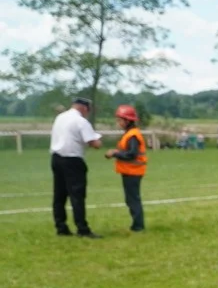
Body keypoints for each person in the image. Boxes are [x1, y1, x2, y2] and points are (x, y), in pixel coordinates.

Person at [50, 96, 103, 238]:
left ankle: (61, 227)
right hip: (72, 160)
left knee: (59, 195)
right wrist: (99, 140)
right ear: (85, 108)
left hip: (56, 158)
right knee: (77, 195)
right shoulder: (81, 121)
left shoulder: (60, 117)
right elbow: (94, 143)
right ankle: (82, 228)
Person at [104, 104, 147, 232]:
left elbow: (131, 154)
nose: (118, 122)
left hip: (133, 171)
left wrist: (114, 153)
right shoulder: (130, 133)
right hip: (130, 171)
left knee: (133, 199)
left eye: (120, 120)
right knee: (131, 199)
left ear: (128, 120)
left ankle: (138, 226)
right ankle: (137, 225)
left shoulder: (132, 135)